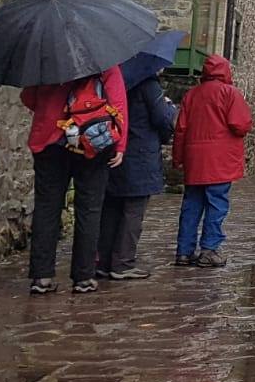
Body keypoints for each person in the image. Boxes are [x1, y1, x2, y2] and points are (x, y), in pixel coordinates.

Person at [21, 66, 128, 295]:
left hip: (49, 141)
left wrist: (53, 111)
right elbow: (118, 105)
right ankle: (84, 276)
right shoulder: (105, 63)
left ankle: (41, 277)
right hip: (92, 140)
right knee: (89, 209)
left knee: (47, 207)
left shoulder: (46, 60)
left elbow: (28, 97)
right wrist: (120, 145)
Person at [173, 55, 252, 268]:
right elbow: (240, 125)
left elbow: (180, 129)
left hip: (195, 161)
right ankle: (209, 249)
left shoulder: (191, 95)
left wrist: (178, 158)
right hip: (219, 161)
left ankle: (183, 251)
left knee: (191, 205)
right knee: (216, 204)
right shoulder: (230, 94)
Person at [97, 69, 176, 280]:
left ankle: (104, 261)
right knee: (133, 211)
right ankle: (123, 262)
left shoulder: (113, 80)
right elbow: (163, 120)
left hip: (113, 150)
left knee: (111, 208)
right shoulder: (149, 86)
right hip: (139, 154)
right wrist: (169, 106)